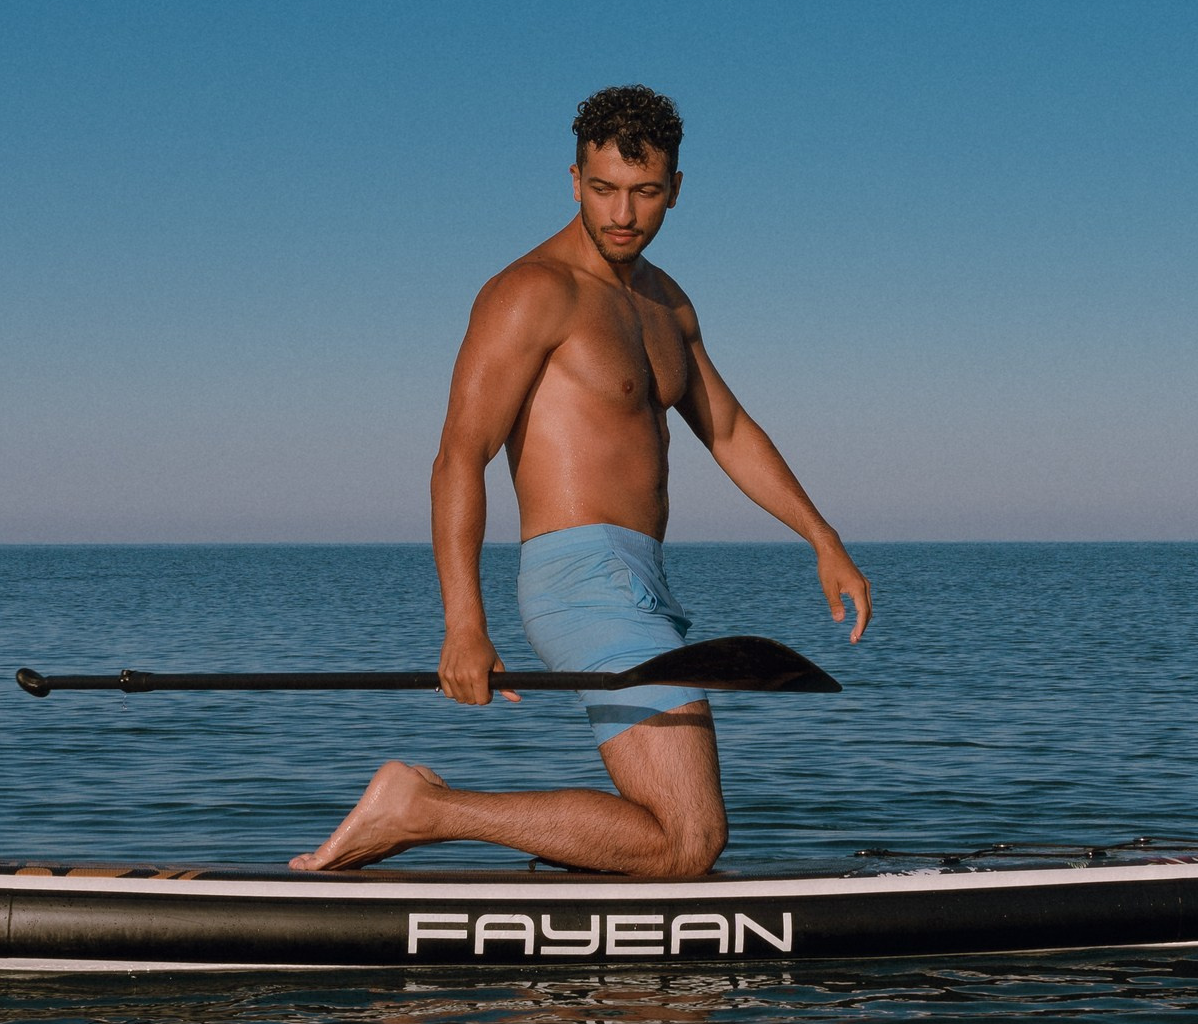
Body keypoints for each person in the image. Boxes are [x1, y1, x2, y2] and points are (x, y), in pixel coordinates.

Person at [292, 85, 870, 876]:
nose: (622, 214)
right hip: (580, 577)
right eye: (603, 189)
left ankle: (580, 903)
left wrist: (822, 537)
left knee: (676, 840)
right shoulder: (533, 292)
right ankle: (422, 810)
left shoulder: (667, 304)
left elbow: (728, 430)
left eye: (645, 192)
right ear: (574, 181)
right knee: (689, 838)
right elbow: (459, 454)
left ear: (676, 189)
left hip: (645, 579)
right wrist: (464, 623)